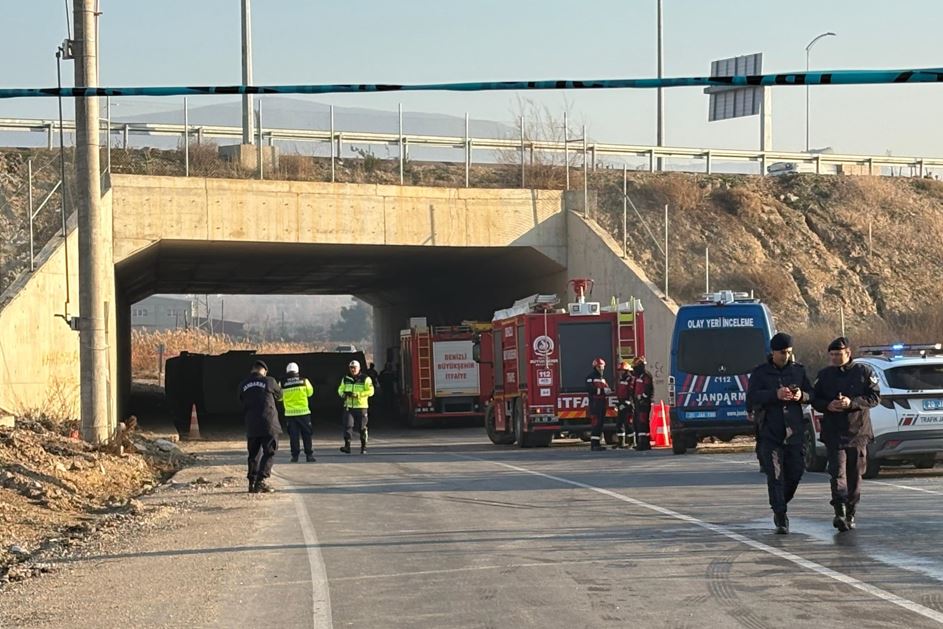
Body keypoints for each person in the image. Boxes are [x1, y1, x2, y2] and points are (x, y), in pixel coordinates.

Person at [746, 333, 813, 534]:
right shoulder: (760, 373)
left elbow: (813, 394)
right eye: (783, 353)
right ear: (773, 352)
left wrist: (802, 395)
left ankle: (780, 501)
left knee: (795, 472)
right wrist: (774, 395)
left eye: (789, 352)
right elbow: (751, 399)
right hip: (770, 431)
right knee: (775, 475)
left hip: (794, 432)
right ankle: (780, 514)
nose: (787, 356)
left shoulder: (798, 371)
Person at [812, 336, 880, 532]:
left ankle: (851, 510)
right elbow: (814, 399)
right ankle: (839, 511)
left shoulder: (863, 372)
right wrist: (828, 405)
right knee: (837, 473)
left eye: (838, 354)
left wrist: (852, 403)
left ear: (848, 353)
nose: (834, 358)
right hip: (834, 433)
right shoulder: (824, 375)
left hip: (857, 432)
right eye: (832, 354)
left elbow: (874, 397)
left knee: (855, 475)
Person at [238, 360, 283, 493]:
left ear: (253, 370)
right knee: (269, 452)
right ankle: (261, 481)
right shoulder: (269, 381)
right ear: (264, 371)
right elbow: (280, 395)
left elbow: (240, 399)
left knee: (253, 454)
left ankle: (251, 483)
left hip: (252, 424)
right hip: (269, 423)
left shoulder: (243, 384)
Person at [338, 359, 375, 454]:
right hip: (349, 407)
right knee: (348, 426)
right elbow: (340, 389)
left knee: (362, 428)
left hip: (361, 407)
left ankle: (364, 447)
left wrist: (358, 394)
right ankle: (347, 446)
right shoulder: (345, 379)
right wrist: (344, 394)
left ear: (359, 368)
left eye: (354, 368)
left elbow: (371, 391)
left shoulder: (365, 379)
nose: (353, 370)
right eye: (351, 368)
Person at [281, 362, 315, 463]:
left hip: (290, 414)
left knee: (294, 436)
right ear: (297, 371)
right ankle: (309, 455)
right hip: (304, 413)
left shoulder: (282, 383)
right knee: (307, 435)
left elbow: (279, 398)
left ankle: (294, 456)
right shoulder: (304, 381)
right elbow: (310, 393)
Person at [585, 357, 611, 452]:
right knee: (596, 423)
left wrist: (607, 390)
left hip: (602, 404)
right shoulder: (590, 377)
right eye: (599, 367)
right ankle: (594, 444)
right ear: (595, 367)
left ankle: (597, 443)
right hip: (595, 404)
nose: (601, 369)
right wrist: (603, 390)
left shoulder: (602, 379)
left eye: (602, 367)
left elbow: (606, 388)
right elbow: (590, 389)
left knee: (600, 424)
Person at [631, 357, 654, 451]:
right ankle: (640, 442)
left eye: (635, 367)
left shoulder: (646, 375)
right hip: (637, 403)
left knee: (643, 422)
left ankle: (644, 443)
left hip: (644, 403)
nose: (634, 370)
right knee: (637, 422)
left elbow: (648, 389)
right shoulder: (638, 377)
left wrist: (643, 398)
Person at [614, 360, 635, 449]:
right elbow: (620, 392)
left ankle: (631, 443)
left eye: (622, 370)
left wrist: (628, 402)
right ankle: (620, 442)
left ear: (626, 371)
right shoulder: (621, 379)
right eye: (619, 371)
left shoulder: (630, 379)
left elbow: (631, 392)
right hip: (621, 403)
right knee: (619, 423)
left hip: (628, 404)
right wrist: (618, 403)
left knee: (628, 424)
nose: (620, 372)